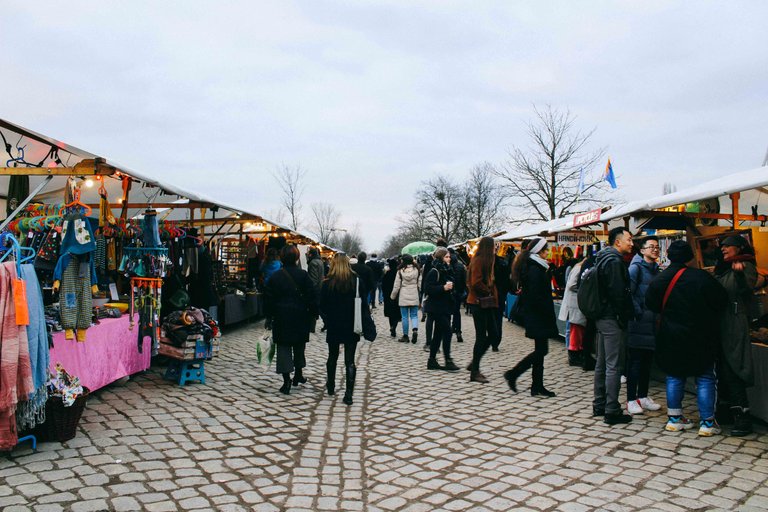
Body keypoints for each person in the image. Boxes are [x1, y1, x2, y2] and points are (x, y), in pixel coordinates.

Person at [645, 241, 728, 436]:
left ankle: (675, 419)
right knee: (705, 376)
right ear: (690, 256)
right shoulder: (701, 277)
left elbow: (651, 305)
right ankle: (707, 422)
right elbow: (720, 300)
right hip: (700, 334)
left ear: (669, 255)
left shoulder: (660, 279)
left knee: (674, 375)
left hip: (671, 334)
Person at [715, 235, 758, 436]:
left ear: (738, 248)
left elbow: (746, 288)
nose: (723, 249)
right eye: (721, 246)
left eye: (727, 246)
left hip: (735, 323)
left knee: (734, 366)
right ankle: (726, 411)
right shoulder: (723, 267)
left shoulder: (745, 265)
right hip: (723, 323)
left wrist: (740, 276)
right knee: (723, 367)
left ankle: (743, 417)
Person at [504, 237, 558, 397]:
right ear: (539, 251)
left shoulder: (536, 267)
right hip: (538, 316)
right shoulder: (535, 269)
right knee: (541, 350)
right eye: (546, 249)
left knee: (541, 351)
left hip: (538, 316)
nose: (548, 252)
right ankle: (514, 373)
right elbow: (536, 296)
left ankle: (537, 385)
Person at [592, 227, 635, 425]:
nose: (632, 243)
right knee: (613, 365)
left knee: (602, 363)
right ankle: (611, 409)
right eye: (629, 239)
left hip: (602, 317)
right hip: (612, 319)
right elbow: (619, 294)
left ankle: (600, 404)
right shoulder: (615, 262)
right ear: (618, 242)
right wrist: (624, 315)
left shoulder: (602, 258)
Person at [263, 245, 318, 395]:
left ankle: (286, 380)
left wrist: (269, 316)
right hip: (301, 316)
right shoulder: (303, 275)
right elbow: (312, 296)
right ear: (296, 257)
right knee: (299, 347)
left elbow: (268, 299)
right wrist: (314, 313)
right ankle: (298, 373)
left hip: (282, 317)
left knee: (284, 349)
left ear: (281, 257)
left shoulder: (276, 277)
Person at [320, 253, 369, 405]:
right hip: (351, 323)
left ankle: (331, 385)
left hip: (334, 323)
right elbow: (363, 302)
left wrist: (327, 321)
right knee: (350, 360)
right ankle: (348, 394)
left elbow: (321, 305)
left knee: (332, 356)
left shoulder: (327, 283)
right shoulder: (356, 281)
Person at [625, 236, 662, 415]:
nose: (655, 250)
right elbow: (628, 293)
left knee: (647, 362)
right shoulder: (635, 268)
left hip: (652, 324)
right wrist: (638, 312)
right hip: (638, 323)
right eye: (651, 247)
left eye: (657, 247)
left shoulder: (656, 269)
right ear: (642, 250)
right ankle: (631, 399)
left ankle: (643, 396)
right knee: (636, 362)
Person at [465, 237, 498, 383]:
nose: (495, 249)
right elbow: (476, 282)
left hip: (486, 302)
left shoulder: (487, 261)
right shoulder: (478, 261)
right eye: (494, 246)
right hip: (479, 302)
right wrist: (488, 292)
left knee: (493, 335)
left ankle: (474, 363)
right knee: (481, 337)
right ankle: (475, 371)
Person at [423, 247, 459, 371]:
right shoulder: (434, 271)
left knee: (438, 334)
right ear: (440, 258)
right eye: (446, 257)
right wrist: (443, 288)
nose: (449, 259)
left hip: (445, 307)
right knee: (447, 332)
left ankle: (432, 360)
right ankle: (448, 360)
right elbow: (428, 289)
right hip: (436, 307)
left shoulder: (448, 270)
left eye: (449, 257)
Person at [558, 256, 588, 367]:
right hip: (574, 304)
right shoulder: (579, 268)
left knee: (575, 331)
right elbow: (572, 285)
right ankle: (573, 355)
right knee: (575, 331)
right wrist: (584, 289)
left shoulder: (578, 267)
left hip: (575, 305)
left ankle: (575, 354)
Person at [391, 254, 422, 343]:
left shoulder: (400, 271)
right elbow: (420, 284)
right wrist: (419, 292)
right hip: (414, 294)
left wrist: (392, 297)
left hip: (403, 295)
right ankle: (415, 330)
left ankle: (405, 336)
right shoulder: (417, 270)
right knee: (414, 315)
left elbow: (396, 286)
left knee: (404, 317)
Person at [491, 245, 511, 351]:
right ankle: (495, 341)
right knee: (497, 319)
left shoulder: (501, 263)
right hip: (498, 295)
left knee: (494, 318)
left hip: (495, 295)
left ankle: (494, 340)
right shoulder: (502, 263)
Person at [448, 248, 467, 343]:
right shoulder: (460, 266)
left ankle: (449, 331)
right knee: (456, 312)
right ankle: (458, 331)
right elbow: (465, 280)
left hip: (449, 292)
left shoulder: (447, 265)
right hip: (459, 292)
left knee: (447, 313)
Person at [381, 257, 401, 337]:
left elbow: (383, 285)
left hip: (387, 295)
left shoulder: (387, 274)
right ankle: (394, 327)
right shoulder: (398, 273)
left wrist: (384, 294)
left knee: (390, 314)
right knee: (396, 312)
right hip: (396, 296)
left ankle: (391, 326)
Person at [306, 247, 325, 332]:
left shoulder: (313, 263)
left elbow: (314, 278)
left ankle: (312, 327)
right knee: (317, 307)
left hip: (315, 289)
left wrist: (310, 289)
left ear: (311, 254)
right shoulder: (320, 261)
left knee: (314, 308)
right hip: (320, 287)